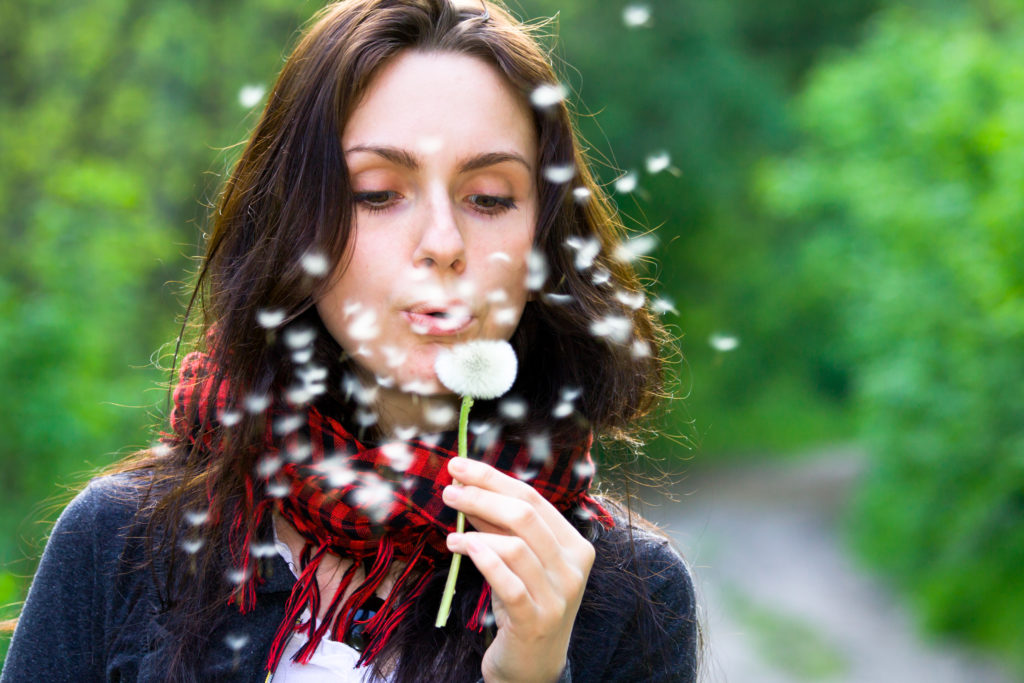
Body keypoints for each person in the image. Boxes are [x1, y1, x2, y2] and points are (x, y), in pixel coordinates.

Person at [1, 1, 699, 681]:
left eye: (488, 197)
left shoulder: (627, 594)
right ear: (296, 225)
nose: (444, 244)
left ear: (542, 238)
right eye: (376, 192)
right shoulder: (121, 542)